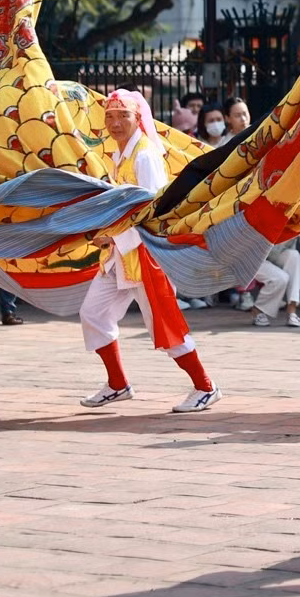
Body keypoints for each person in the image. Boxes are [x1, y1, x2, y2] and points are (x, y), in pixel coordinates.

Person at [76, 90, 220, 414]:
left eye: (122, 115)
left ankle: (205, 386)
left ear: (137, 117)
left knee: (165, 325)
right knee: (93, 314)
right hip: (120, 254)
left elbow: (154, 212)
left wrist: (112, 238)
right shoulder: (120, 154)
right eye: (110, 116)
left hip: (145, 255)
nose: (115, 123)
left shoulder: (144, 155)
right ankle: (117, 384)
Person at [250, 238, 300, 328]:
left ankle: (292, 309)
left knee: (294, 256)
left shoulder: (296, 223)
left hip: (277, 253)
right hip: (255, 257)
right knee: (280, 278)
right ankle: (257, 310)